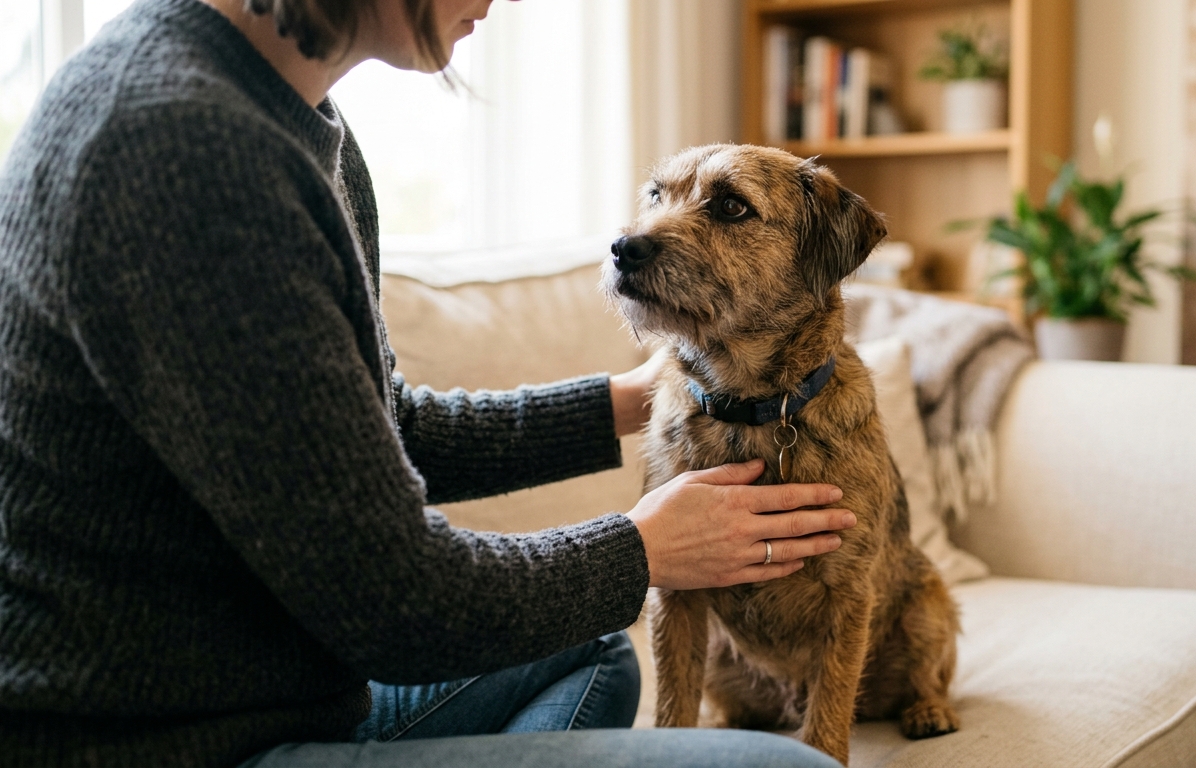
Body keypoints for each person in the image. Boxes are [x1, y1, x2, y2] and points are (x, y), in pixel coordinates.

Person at [0, 0, 856, 766]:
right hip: (161, 739)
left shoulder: (297, 117)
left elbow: (384, 427)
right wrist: (644, 548)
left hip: (280, 693)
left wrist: (629, 401)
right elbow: (394, 599)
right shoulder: (187, 148)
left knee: (595, 647)